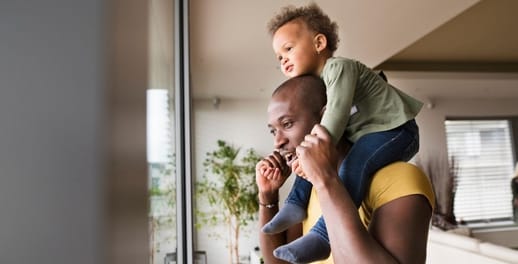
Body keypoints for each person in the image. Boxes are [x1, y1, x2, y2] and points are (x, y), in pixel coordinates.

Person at [261, 3, 424, 263]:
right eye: (279, 57)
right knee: (313, 158)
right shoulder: (326, 83)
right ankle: (294, 203)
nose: (283, 59)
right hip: (369, 135)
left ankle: (322, 237)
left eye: (288, 49)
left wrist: (313, 153)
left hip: (395, 131)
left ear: (319, 42)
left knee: (352, 164)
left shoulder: (338, 68)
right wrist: (268, 198)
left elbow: (336, 114)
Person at [256, 74, 434, 263]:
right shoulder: (311, 188)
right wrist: (268, 196)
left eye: (287, 124)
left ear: (326, 117)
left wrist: (326, 181)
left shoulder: (400, 179)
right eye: (273, 130)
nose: (277, 142)